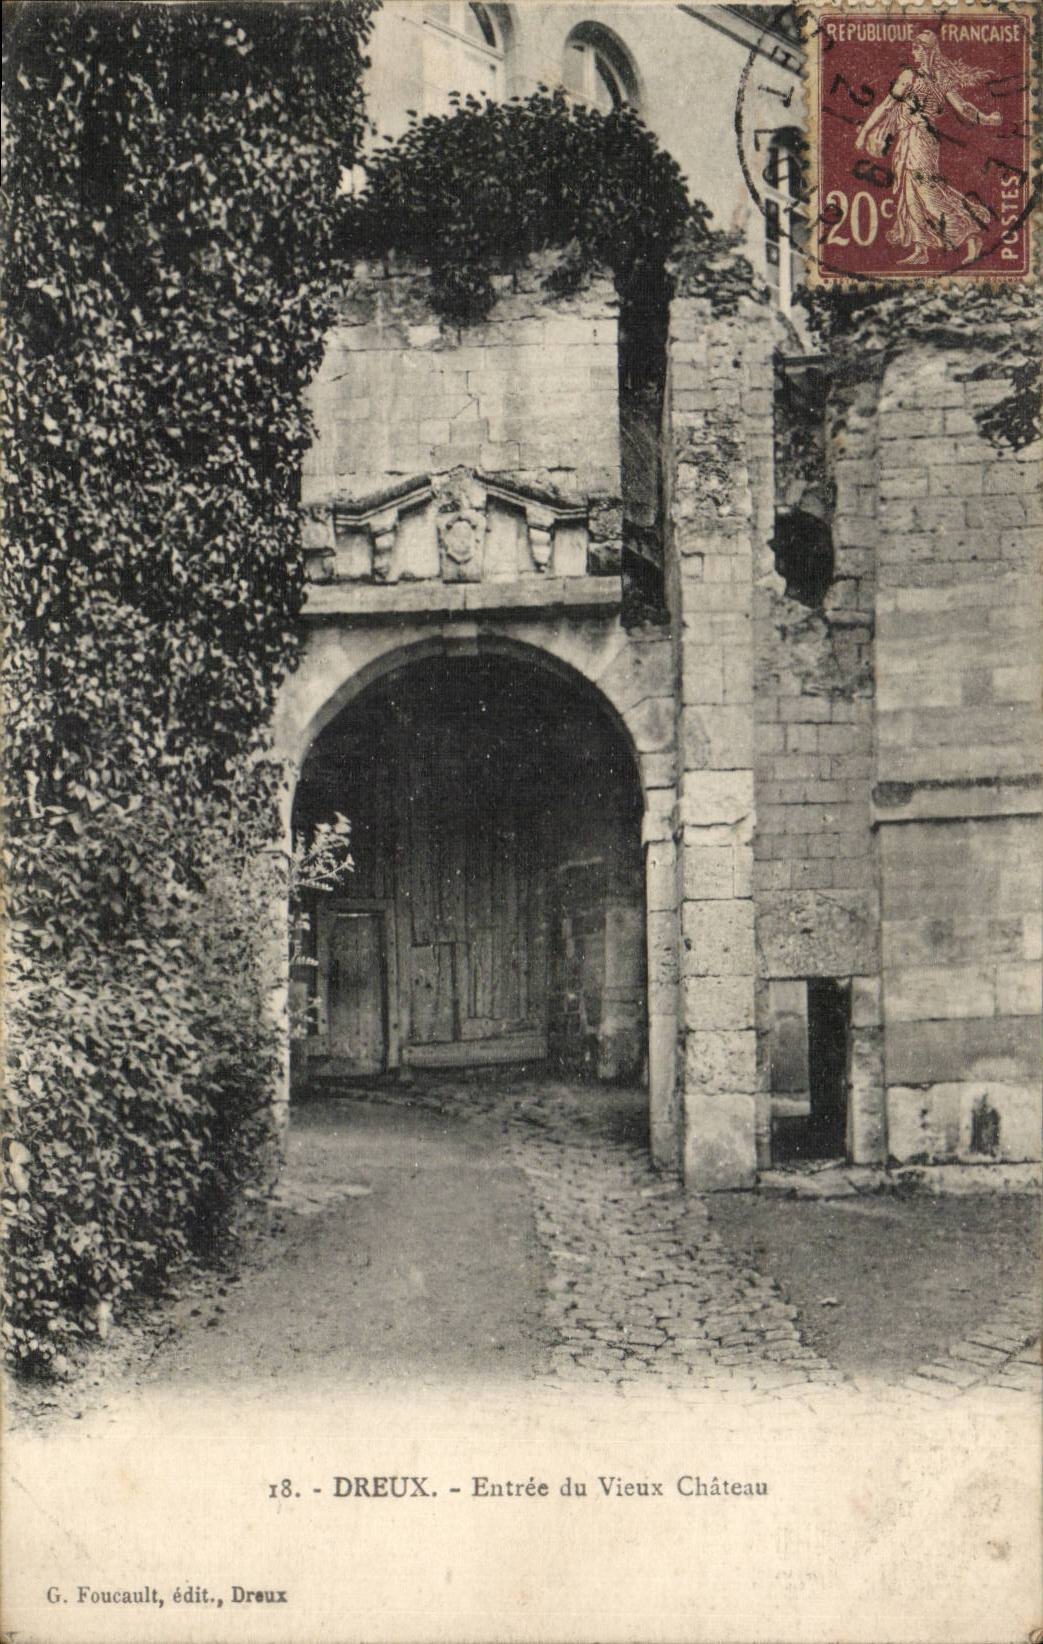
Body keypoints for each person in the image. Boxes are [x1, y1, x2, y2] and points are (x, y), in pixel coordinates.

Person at [854, 30, 1002, 266]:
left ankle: (970, 234)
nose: (914, 53)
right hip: (911, 138)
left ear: (928, 51)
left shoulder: (919, 78)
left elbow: (961, 108)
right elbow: (888, 106)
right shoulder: (924, 78)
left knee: (927, 192)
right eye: (914, 48)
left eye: (918, 48)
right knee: (909, 191)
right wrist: (987, 118)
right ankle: (921, 248)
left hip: (921, 138)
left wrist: (987, 119)